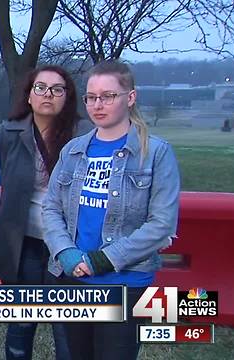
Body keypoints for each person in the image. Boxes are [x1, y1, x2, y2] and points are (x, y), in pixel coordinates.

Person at [43, 60, 180, 360]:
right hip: (73, 280)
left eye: (108, 96)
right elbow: (51, 207)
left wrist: (103, 260)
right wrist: (65, 252)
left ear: (130, 98)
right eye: (91, 97)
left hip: (126, 284)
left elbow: (162, 225)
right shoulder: (73, 150)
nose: (97, 105)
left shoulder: (156, 153)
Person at [0, 65, 89, 360]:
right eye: (40, 88)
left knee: (68, 330)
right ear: (29, 96)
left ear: (67, 97)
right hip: (23, 245)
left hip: (68, 246)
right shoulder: (7, 134)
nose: (48, 95)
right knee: (21, 325)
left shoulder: (85, 138)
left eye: (57, 89)